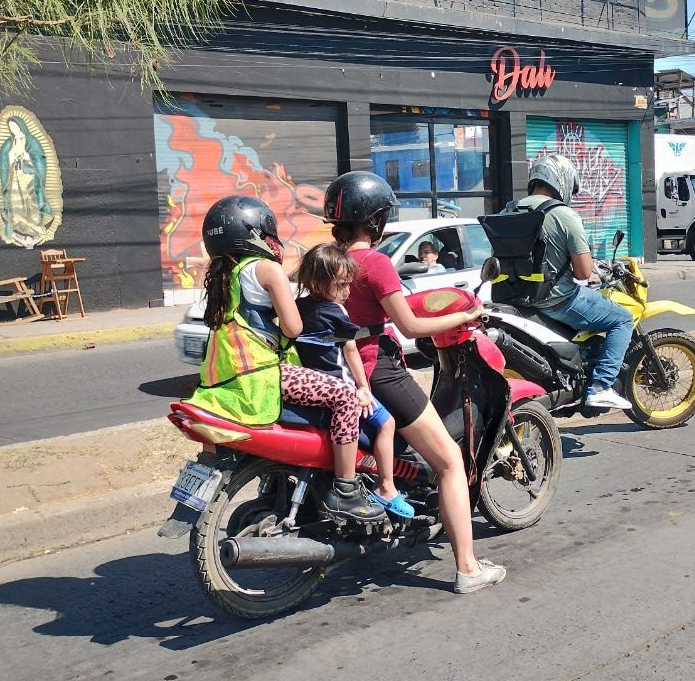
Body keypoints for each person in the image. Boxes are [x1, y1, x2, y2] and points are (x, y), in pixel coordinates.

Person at [325, 170, 506, 595]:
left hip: (337, 368)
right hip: (378, 369)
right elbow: (409, 325)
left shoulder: (326, 261)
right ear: (376, 220)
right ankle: (467, 568)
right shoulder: (375, 263)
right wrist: (465, 316)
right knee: (450, 462)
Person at [189, 195, 385, 526]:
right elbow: (293, 327)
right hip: (261, 375)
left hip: (222, 383)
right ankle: (346, 490)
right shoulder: (267, 270)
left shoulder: (227, 276)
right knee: (346, 396)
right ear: (253, 232)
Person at [293, 242, 414, 520]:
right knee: (387, 423)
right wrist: (362, 387)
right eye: (341, 285)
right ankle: (387, 487)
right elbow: (350, 351)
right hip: (342, 386)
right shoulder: (337, 312)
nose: (347, 292)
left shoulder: (298, 307)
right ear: (317, 282)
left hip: (313, 387)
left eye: (348, 285)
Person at [518, 153, 634, 411]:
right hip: (557, 300)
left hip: (519, 300)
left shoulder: (510, 209)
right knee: (623, 319)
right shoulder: (563, 215)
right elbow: (583, 273)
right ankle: (601, 386)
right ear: (561, 180)